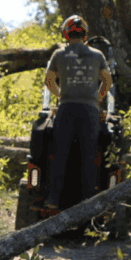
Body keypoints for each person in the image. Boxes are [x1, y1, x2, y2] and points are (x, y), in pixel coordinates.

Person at [44, 15, 113, 212]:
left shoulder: (58, 54)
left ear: (66, 33)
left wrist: (61, 94)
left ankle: (53, 201)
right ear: (85, 34)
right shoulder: (97, 55)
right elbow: (107, 81)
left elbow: (49, 81)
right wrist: (97, 98)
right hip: (89, 111)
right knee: (89, 155)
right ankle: (88, 204)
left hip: (66, 109)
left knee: (60, 154)